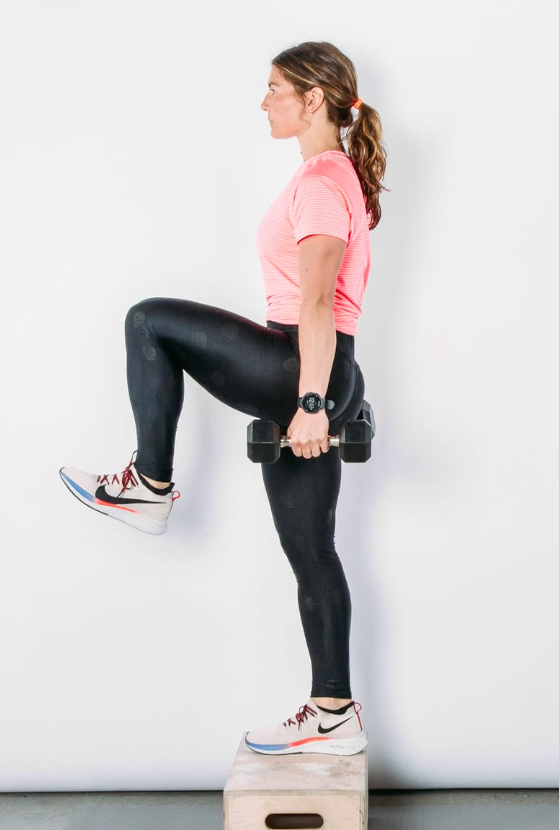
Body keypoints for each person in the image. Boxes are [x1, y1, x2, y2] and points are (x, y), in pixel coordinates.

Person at [58, 41, 387, 757]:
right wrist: (321, 394)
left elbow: (318, 304)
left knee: (149, 321)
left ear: (312, 99)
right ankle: (335, 713)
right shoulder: (330, 176)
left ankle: (148, 485)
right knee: (312, 553)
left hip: (299, 365)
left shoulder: (322, 183)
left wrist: (307, 402)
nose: (263, 101)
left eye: (274, 89)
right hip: (321, 371)